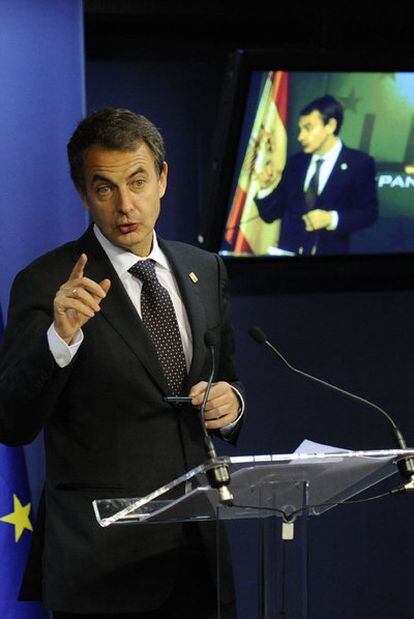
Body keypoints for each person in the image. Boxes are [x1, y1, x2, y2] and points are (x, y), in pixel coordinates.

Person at [0, 108, 244, 618]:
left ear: (163, 179)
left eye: (137, 181)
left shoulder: (205, 269)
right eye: (104, 188)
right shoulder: (47, 283)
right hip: (101, 567)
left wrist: (231, 404)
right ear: (84, 194)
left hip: (198, 556)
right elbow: (12, 421)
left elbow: (224, 376)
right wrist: (58, 338)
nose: (125, 205)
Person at [256, 94, 378, 255]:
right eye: (300, 129)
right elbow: (270, 214)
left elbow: (368, 213)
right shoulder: (295, 163)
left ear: (330, 126)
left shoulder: (359, 163)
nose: (300, 136)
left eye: (308, 128)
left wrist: (331, 219)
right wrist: (264, 188)